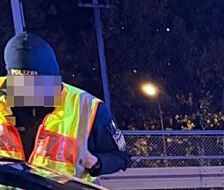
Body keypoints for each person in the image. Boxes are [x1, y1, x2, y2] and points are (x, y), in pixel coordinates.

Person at [0, 32, 130, 179]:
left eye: (40, 86)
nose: (32, 95)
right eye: (23, 86)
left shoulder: (87, 108)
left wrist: (94, 162)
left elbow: (121, 157)